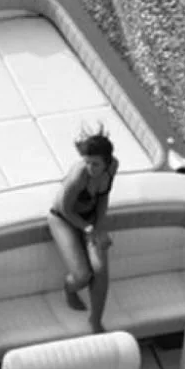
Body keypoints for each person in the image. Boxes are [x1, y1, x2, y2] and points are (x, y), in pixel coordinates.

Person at [47, 126, 118, 334]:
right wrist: (89, 229)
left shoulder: (113, 167)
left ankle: (95, 321)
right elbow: (64, 209)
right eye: (87, 162)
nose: (90, 168)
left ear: (107, 162)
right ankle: (68, 290)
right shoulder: (79, 176)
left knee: (101, 269)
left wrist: (101, 225)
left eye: (95, 164)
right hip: (63, 219)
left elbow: (103, 196)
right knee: (82, 276)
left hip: (90, 218)